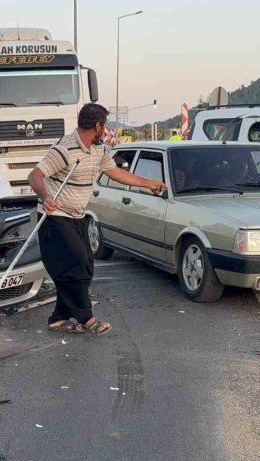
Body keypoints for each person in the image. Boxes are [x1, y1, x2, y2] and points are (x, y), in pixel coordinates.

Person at [28, 103, 167, 335]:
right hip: (55, 216)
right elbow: (35, 176)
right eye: (105, 125)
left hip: (78, 216)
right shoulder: (65, 149)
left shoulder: (98, 149)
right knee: (79, 264)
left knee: (85, 267)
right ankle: (86, 317)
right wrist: (45, 196)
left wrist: (148, 183)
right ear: (98, 125)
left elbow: (116, 173)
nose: (105, 130)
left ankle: (59, 317)